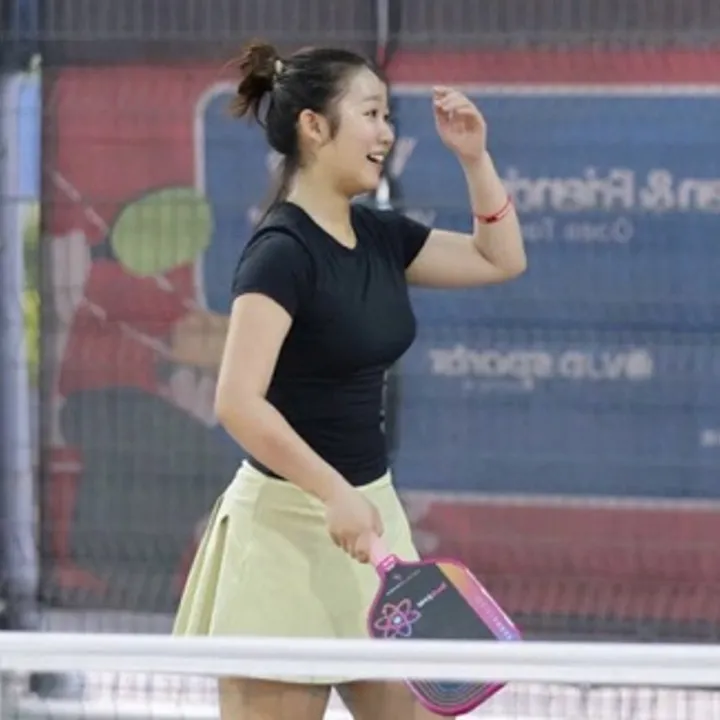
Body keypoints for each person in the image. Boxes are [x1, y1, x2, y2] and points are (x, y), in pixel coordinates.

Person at [172, 39, 527, 720]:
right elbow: (238, 402)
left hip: (372, 524)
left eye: (388, 116)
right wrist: (333, 492)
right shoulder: (280, 254)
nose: (386, 133)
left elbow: (499, 259)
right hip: (280, 538)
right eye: (370, 114)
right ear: (314, 126)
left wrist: (474, 159)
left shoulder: (382, 239)